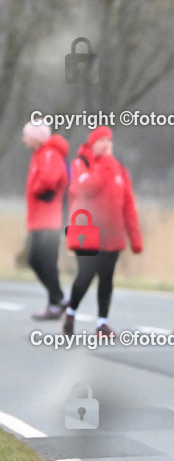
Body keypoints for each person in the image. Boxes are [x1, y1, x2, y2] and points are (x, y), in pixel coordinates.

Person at [62, 126, 143, 337]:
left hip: (112, 235)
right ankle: (70, 313)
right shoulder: (81, 164)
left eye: (109, 140)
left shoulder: (119, 170)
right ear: (92, 144)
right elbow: (85, 188)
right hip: (87, 233)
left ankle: (102, 323)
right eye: (101, 140)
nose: (106, 144)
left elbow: (128, 206)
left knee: (106, 277)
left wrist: (135, 238)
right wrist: (104, 164)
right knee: (86, 275)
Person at [22, 121, 69, 320]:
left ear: (36, 137)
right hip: (38, 219)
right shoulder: (40, 154)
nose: (24, 139)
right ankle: (57, 300)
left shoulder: (49, 153)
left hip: (48, 219)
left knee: (44, 261)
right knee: (35, 260)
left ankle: (56, 301)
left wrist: (35, 189)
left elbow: (50, 179)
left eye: (27, 135)